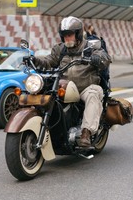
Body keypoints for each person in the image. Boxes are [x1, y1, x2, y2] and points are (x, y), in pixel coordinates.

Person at [32, 16, 111, 149]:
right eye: (64, 36)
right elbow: (48, 61)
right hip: (66, 87)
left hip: (86, 87)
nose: (67, 38)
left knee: (93, 93)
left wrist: (97, 59)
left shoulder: (90, 47)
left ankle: (85, 132)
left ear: (78, 34)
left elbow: (105, 58)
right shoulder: (60, 49)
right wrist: (35, 60)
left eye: (70, 35)